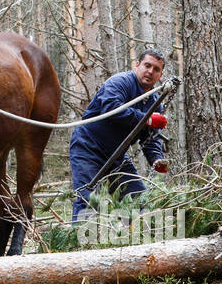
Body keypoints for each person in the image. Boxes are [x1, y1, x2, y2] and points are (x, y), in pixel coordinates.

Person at [70, 49, 171, 221]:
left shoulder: (154, 101)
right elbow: (111, 109)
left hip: (117, 156)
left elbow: (150, 139)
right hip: (88, 148)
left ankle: (133, 242)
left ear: (160, 74)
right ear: (137, 65)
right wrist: (147, 119)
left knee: (139, 201)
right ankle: (78, 244)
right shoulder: (120, 82)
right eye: (147, 65)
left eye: (156, 69)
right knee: (87, 201)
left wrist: (156, 159)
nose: (150, 72)